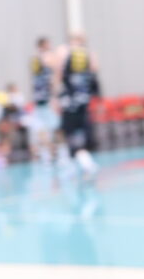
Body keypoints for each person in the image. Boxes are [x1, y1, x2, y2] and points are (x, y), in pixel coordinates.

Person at [54, 32, 100, 179]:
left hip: (69, 101)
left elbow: (58, 74)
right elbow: (94, 73)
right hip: (83, 100)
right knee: (80, 134)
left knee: (69, 134)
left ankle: (80, 164)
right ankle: (80, 163)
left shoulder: (63, 51)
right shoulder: (89, 54)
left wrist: (55, 97)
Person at [27, 36, 60, 163]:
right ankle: (51, 150)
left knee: (42, 127)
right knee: (52, 126)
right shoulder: (46, 57)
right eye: (48, 44)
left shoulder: (35, 59)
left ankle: (45, 151)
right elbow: (55, 72)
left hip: (39, 97)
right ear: (43, 45)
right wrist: (54, 94)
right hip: (45, 98)